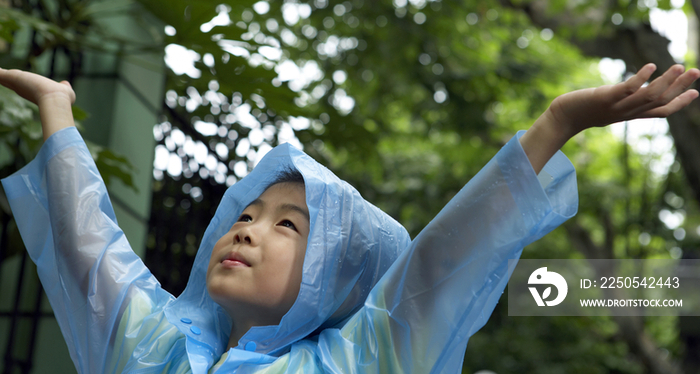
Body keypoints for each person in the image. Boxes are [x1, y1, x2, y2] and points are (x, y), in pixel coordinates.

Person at [1, 63, 698, 374]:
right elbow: (89, 246)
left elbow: (441, 266)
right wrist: (57, 113)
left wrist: (554, 125)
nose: (246, 228)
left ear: (333, 278)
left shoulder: (359, 359)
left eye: (289, 226)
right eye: (247, 213)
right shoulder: (151, 346)